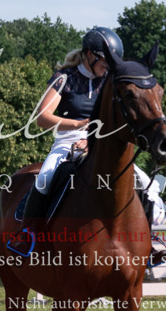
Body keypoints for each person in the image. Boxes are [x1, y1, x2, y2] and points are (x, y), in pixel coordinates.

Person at [22, 26, 123, 224]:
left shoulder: (110, 82)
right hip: (67, 143)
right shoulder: (64, 78)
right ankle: (28, 234)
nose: (108, 66)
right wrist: (79, 125)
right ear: (89, 55)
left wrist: (92, 140)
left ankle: (150, 239)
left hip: (102, 144)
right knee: (44, 180)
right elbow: (42, 118)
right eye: (105, 61)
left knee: (144, 183)